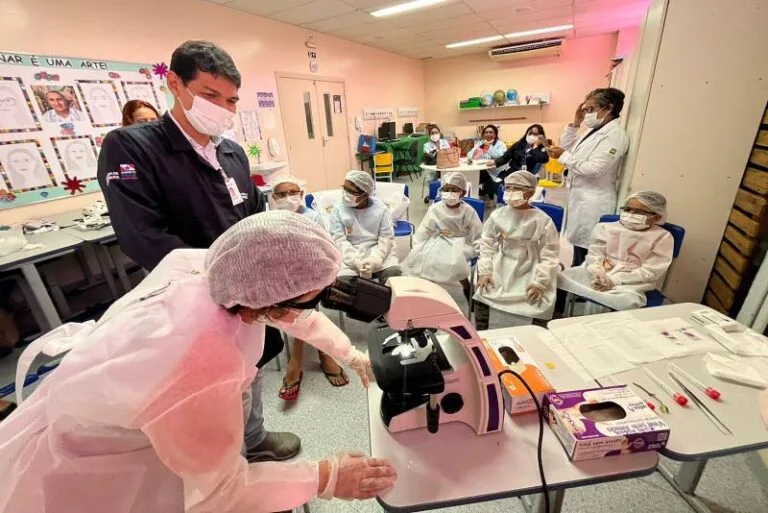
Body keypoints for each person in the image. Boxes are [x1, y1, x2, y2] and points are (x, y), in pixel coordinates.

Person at [0, 211, 398, 513]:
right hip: (96, 465)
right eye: (315, 296)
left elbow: (291, 305)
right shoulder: (201, 364)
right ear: (268, 299)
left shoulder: (214, 269)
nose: (316, 304)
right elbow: (219, 493)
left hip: (107, 406)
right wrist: (327, 477)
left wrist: (347, 350)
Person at [97, 40, 301, 473]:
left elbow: (251, 218)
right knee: (212, 387)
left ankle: (255, 438)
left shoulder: (231, 153)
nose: (222, 108)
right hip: (189, 297)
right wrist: (226, 279)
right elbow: (141, 235)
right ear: (175, 84)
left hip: (246, 296)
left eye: (230, 100)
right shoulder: (133, 147)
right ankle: (227, 470)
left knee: (251, 368)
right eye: (210, 95)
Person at [268, 176, 350, 400]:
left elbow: (325, 249)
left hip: (311, 276)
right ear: (273, 198)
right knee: (300, 305)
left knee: (305, 302)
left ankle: (296, 362)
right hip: (282, 279)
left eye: (293, 192)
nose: (288, 197)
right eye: (281, 194)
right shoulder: (269, 220)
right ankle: (323, 354)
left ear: (302, 195)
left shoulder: (313, 217)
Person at [546, 88, 630, 266]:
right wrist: (576, 123)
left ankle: (580, 291)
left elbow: (595, 168)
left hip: (594, 201)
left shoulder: (614, 135)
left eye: (590, 109)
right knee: (578, 248)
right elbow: (566, 146)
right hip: (580, 197)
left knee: (589, 253)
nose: (587, 114)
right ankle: (575, 285)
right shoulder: (593, 130)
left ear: (608, 108)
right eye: (585, 109)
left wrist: (564, 156)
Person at [558, 191, 674, 310]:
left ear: (657, 216)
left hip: (632, 281)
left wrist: (614, 280)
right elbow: (595, 254)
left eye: (639, 212)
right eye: (627, 209)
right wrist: (597, 272)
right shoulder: (606, 228)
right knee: (560, 278)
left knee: (627, 302)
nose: (630, 214)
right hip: (599, 271)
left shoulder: (663, 237)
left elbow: (651, 271)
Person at [473, 171, 559, 329]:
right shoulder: (498, 215)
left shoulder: (542, 220)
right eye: (508, 188)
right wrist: (485, 270)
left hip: (529, 263)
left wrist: (540, 282)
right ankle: (485, 333)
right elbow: (486, 242)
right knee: (485, 291)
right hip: (501, 259)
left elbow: (550, 254)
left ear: (531, 192)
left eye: (516, 188)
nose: (510, 193)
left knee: (536, 299)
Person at [403, 171, 482, 301]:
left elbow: (477, 234)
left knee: (456, 262)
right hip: (439, 239)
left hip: (460, 242)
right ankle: (431, 294)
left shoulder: (468, 211)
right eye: (446, 189)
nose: (449, 193)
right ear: (441, 190)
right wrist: (417, 246)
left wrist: (479, 251)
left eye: (454, 190)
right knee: (426, 260)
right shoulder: (435, 208)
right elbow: (425, 229)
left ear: (462, 192)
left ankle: (466, 287)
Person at [330, 170, 401, 284]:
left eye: (351, 191)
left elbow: (386, 238)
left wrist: (375, 260)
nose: (345, 193)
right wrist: (355, 261)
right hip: (350, 254)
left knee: (394, 275)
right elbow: (339, 239)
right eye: (345, 188)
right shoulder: (337, 210)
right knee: (342, 284)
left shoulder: (381, 209)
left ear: (365, 194)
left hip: (378, 251)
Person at [479, 124, 549, 202]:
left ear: (540, 136)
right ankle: (502, 203)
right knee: (493, 184)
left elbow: (543, 159)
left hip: (525, 177)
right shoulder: (519, 144)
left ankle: (510, 203)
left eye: (535, 134)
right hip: (510, 172)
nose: (531, 136)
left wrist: (536, 146)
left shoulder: (541, 149)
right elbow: (506, 157)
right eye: (530, 133)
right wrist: (494, 162)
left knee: (507, 190)